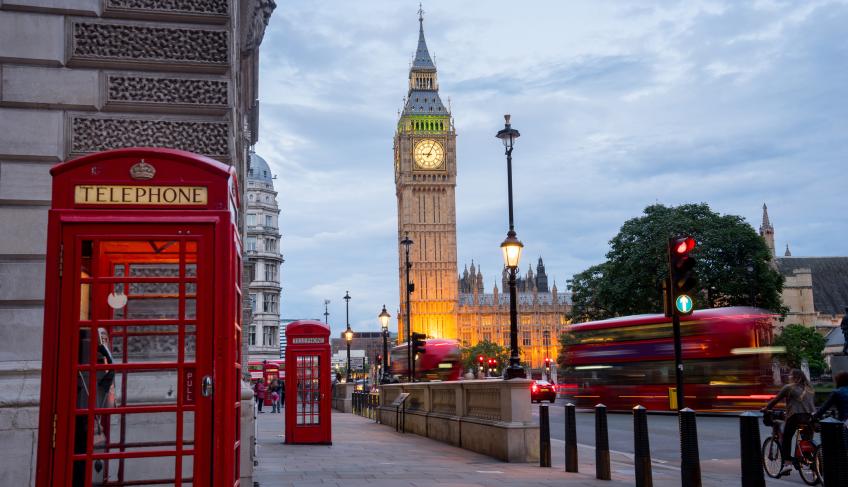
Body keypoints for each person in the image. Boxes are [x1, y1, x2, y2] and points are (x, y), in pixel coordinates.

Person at [764, 369, 816, 476]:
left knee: (787, 438)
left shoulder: (789, 387)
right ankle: (811, 459)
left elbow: (776, 400)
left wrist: (766, 408)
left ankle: (787, 464)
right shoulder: (810, 388)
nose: (789, 377)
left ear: (797, 378)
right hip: (809, 418)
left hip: (795, 417)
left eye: (791, 376)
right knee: (807, 440)